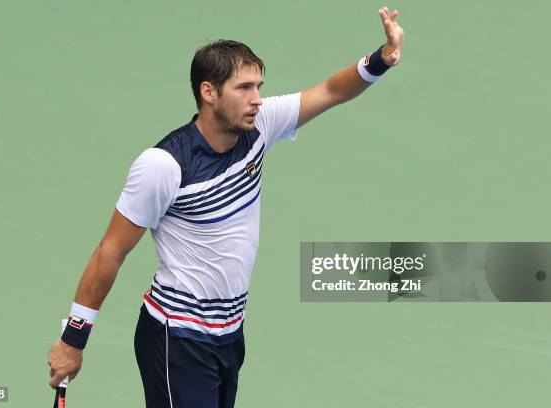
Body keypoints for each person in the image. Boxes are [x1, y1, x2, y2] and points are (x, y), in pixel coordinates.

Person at [47, 6, 404, 407]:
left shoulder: (261, 126)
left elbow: (330, 91)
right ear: (209, 92)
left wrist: (380, 60)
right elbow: (110, 251)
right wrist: (73, 339)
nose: (257, 99)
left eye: (259, 86)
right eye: (244, 88)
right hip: (176, 339)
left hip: (229, 335)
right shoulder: (164, 165)